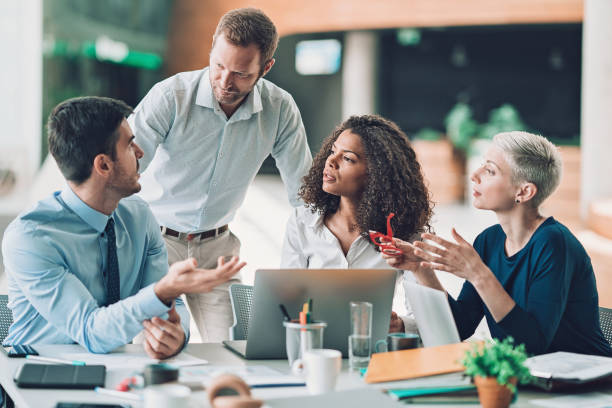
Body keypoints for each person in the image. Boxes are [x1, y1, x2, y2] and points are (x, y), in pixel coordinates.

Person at [1, 97, 245, 358]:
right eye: (130, 145)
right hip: (34, 378)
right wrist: (163, 291)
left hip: (119, 370)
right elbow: (90, 330)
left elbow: (169, 304)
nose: (140, 152)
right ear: (103, 165)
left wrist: (176, 333)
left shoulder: (139, 217)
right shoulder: (31, 238)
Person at [128, 7, 312, 342]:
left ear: (265, 68)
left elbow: (305, 195)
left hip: (218, 252)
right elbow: (125, 169)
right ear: (212, 48)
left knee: (238, 350)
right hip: (154, 245)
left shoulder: (280, 109)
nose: (225, 82)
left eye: (241, 74)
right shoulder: (170, 96)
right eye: (219, 66)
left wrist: (315, 265)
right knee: (151, 348)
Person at [385, 131, 612, 356]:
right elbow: (459, 327)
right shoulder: (489, 240)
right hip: (531, 380)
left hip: (586, 382)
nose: (475, 175)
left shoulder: (554, 243)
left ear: (524, 191)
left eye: (490, 170)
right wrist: (420, 268)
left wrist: (478, 274)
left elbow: (532, 346)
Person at [281, 114, 434, 333]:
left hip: (371, 352)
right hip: (312, 348)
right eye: (333, 151)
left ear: (376, 174)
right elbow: (285, 303)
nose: (331, 161)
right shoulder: (302, 221)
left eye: (348, 159)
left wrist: (401, 325)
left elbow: (429, 317)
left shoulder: (403, 234)